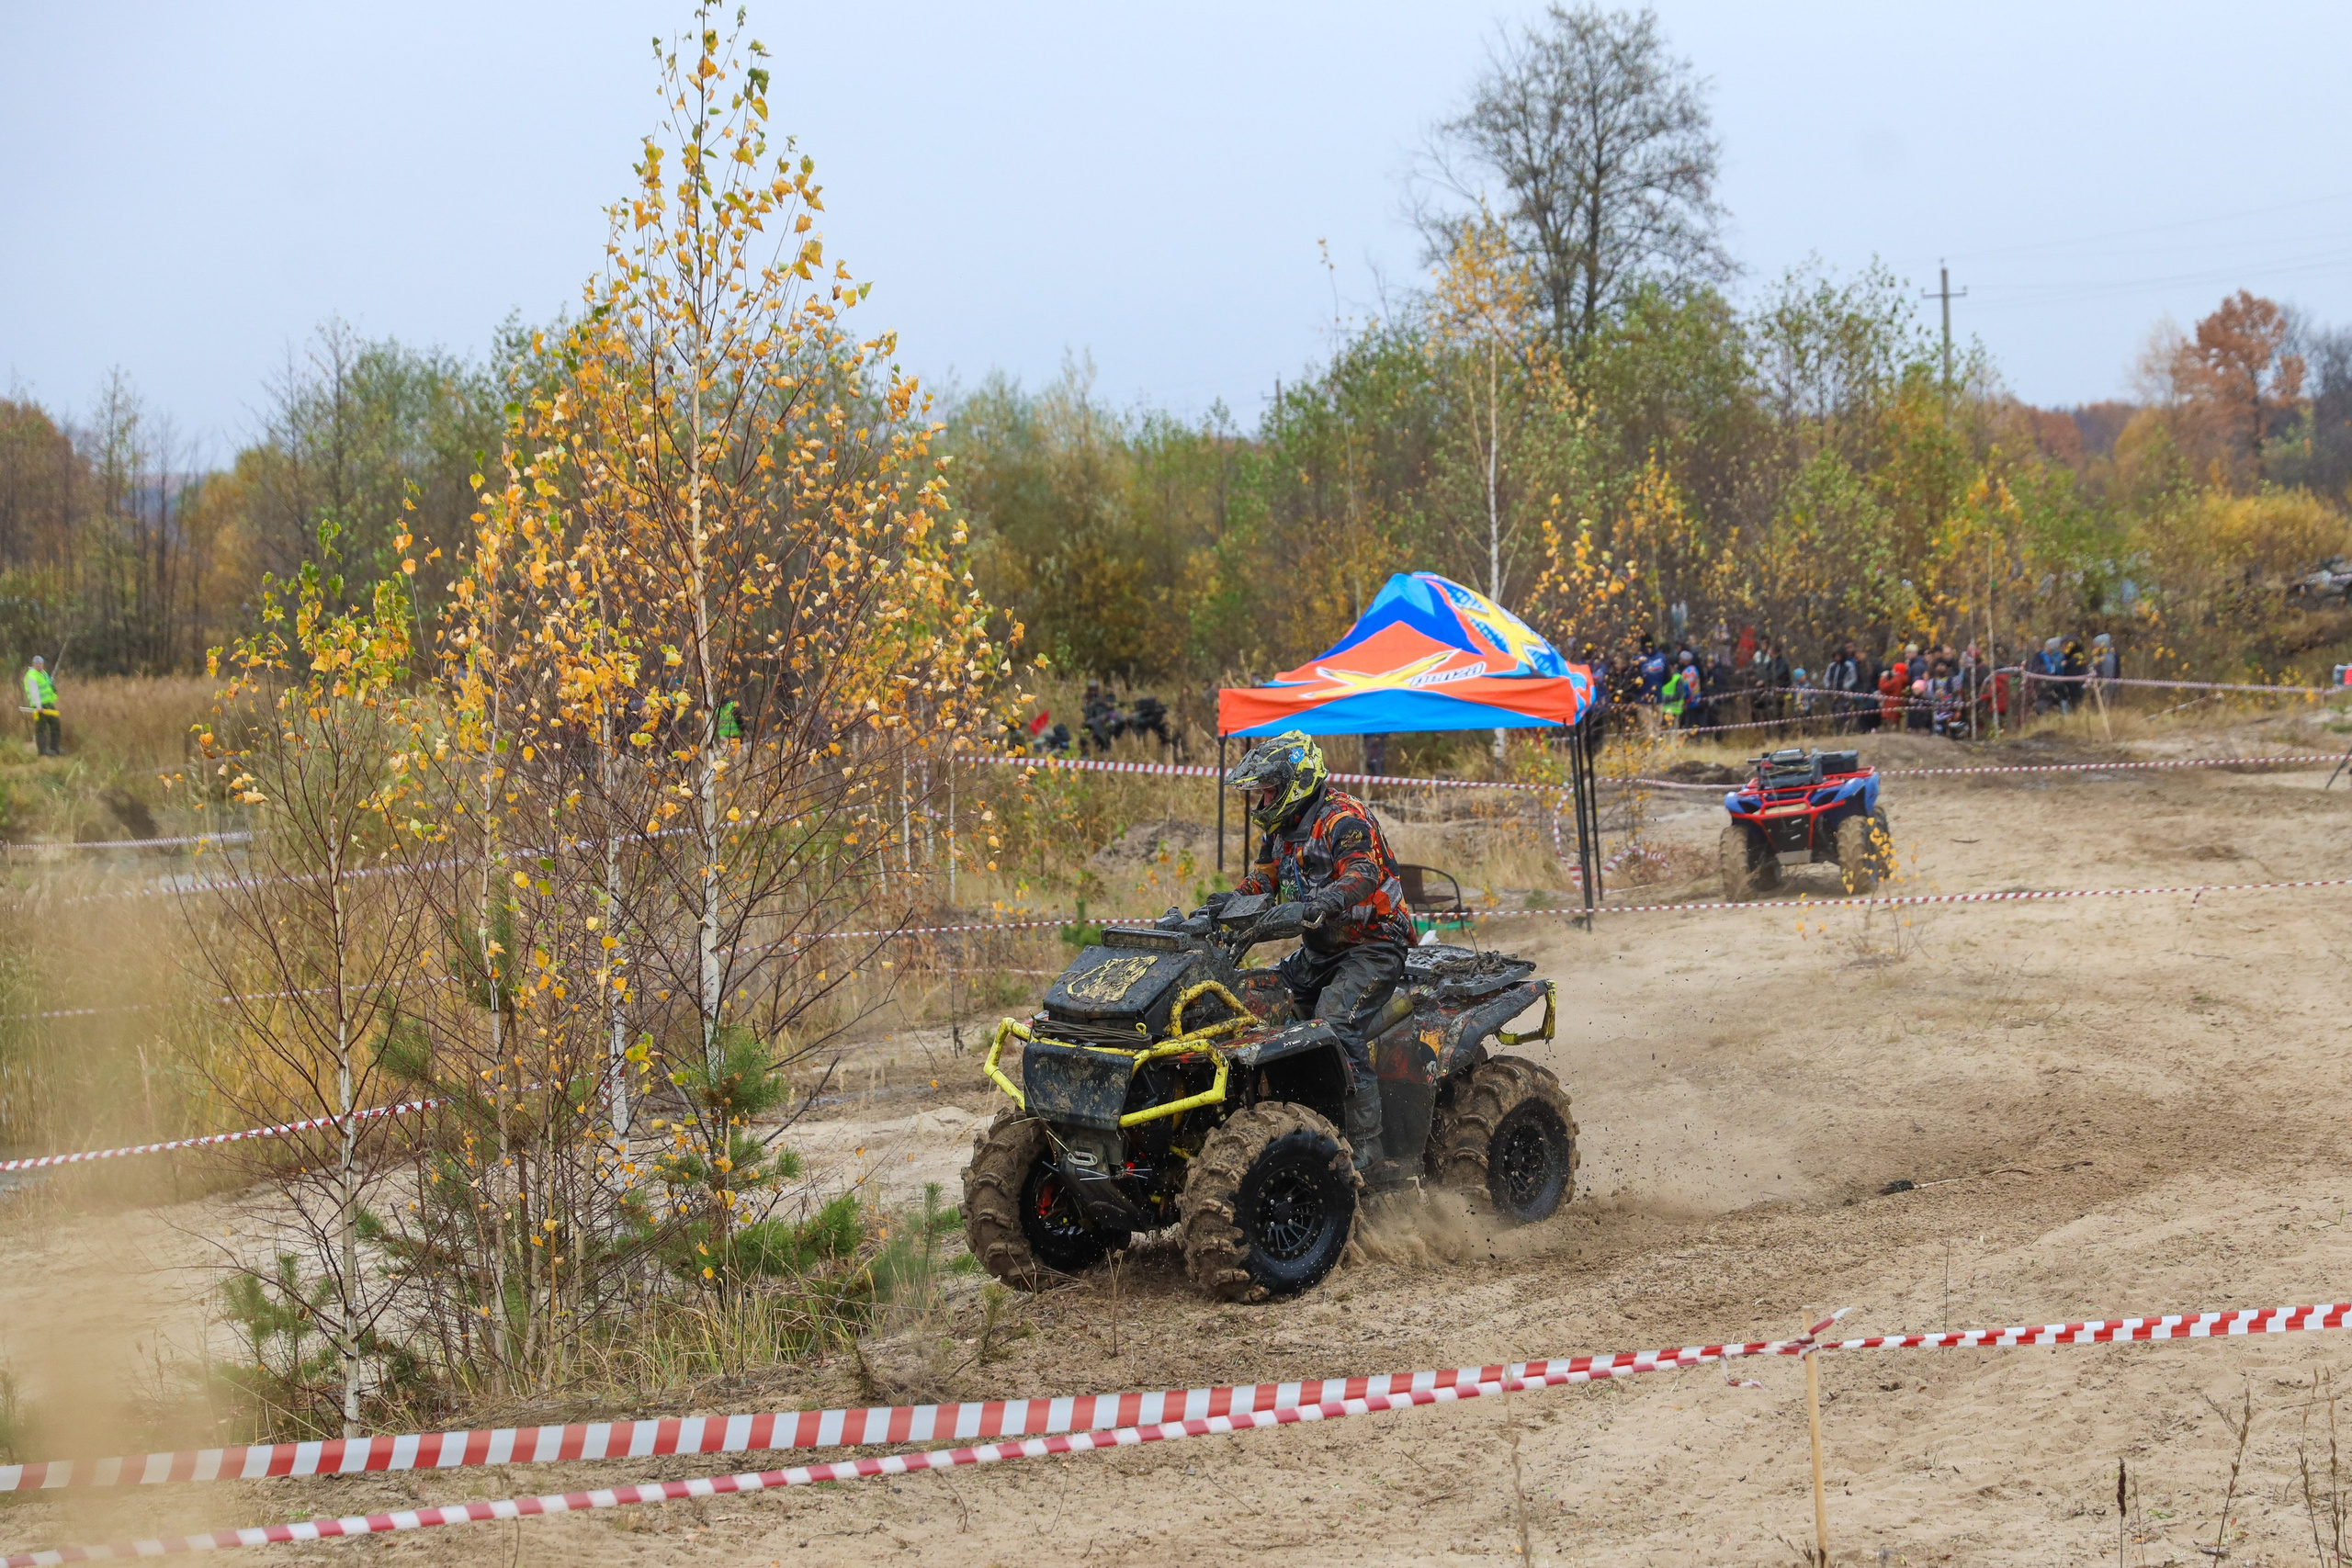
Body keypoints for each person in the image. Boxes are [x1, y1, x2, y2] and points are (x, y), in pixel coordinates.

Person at [1219, 731, 1411, 1174]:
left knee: (1335, 1022)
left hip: (1373, 946)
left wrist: (1326, 901)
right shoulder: (1281, 829)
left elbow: (1363, 871)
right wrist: (1225, 907)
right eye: (1260, 791)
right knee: (1248, 998)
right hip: (1320, 953)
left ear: (1295, 782)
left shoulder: (1344, 818)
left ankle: (1368, 1143)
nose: (1262, 799)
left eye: (1268, 789)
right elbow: (1263, 882)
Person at [20, 656, 58, 757]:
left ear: (43, 664)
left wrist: (54, 694)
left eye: (40, 663)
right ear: (33, 664)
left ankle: (55, 749)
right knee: (41, 728)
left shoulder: (44, 673)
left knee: (55, 725)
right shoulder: (32, 675)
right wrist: (38, 706)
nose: (38, 665)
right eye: (36, 664)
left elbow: (49, 686)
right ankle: (43, 752)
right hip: (40, 706)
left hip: (49, 704)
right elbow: (34, 692)